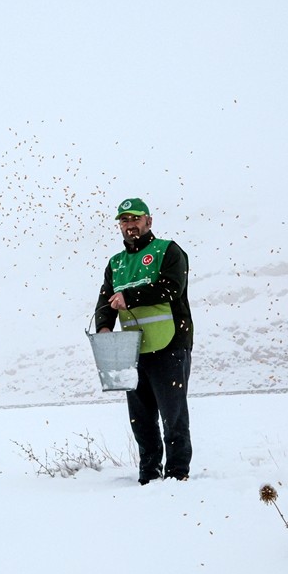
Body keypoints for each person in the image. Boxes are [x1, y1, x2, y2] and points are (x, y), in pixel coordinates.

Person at [94, 198, 194, 485]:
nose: (130, 225)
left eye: (135, 219)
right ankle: (148, 474)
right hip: (132, 350)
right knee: (141, 419)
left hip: (170, 344)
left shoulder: (168, 251)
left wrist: (131, 296)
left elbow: (172, 287)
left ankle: (177, 474)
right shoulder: (116, 263)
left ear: (149, 221)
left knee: (173, 415)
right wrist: (103, 327)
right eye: (124, 220)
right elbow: (105, 299)